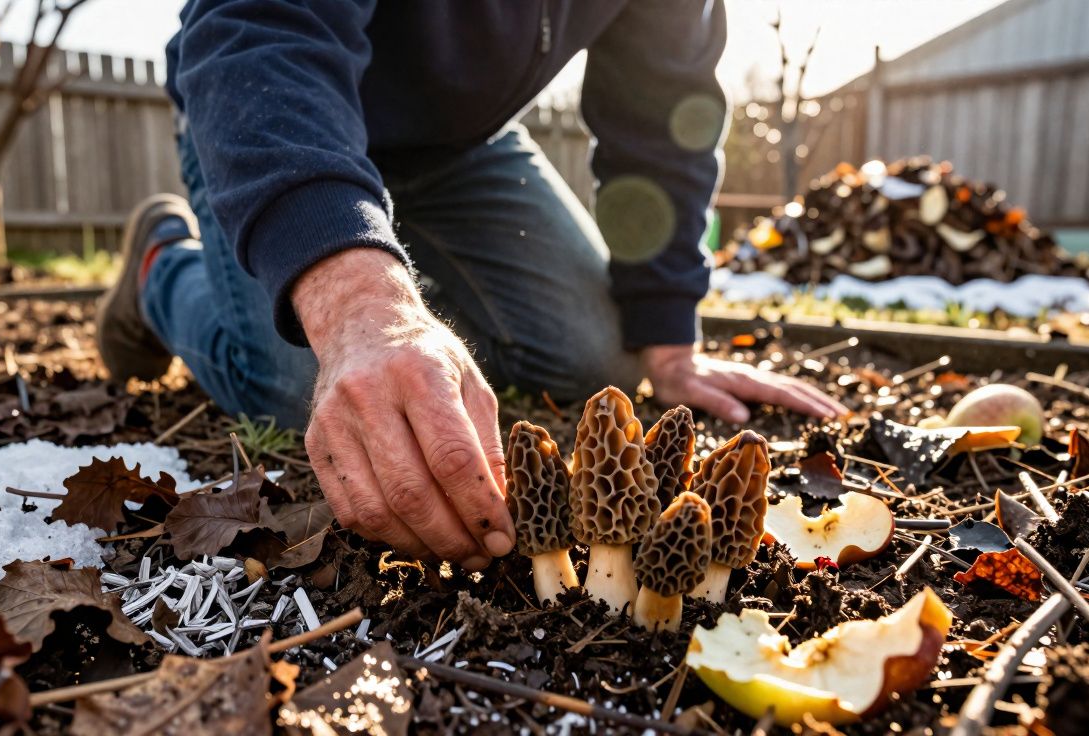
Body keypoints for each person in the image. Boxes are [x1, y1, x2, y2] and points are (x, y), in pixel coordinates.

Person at [96, 0, 846, 573]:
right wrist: (358, 305)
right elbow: (258, 23)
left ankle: (399, 270)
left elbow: (666, 110)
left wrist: (669, 330)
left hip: (460, 146)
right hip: (271, 106)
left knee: (600, 355)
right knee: (307, 389)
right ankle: (163, 269)